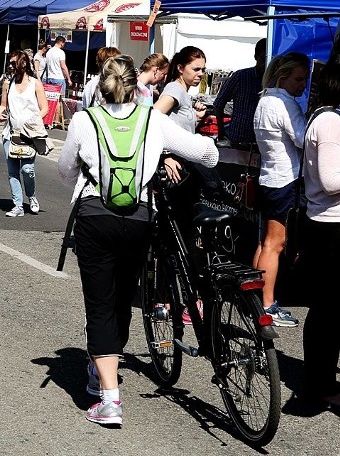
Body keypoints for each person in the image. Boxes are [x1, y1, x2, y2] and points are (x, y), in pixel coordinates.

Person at [58, 54, 219, 427]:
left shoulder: (85, 119)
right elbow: (206, 155)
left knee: (99, 303)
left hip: (94, 215)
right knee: (122, 296)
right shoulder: (152, 119)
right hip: (139, 217)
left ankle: (108, 397)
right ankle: (105, 371)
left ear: (101, 84)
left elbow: (65, 171)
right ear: (135, 85)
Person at [253, 52, 309, 327]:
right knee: (275, 245)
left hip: (268, 177)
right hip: (283, 179)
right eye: (299, 79)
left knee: (265, 244)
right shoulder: (285, 104)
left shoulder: (264, 99)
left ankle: (256, 301)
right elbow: (303, 139)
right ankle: (267, 305)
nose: (303, 85)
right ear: (283, 75)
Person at [300, 70, 340, 410]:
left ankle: (322, 381)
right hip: (329, 227)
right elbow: (329, 180)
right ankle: (320, 385)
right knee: (328, 311)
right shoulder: (329, 121)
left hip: (330, 224)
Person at [0, 50, 48, 217]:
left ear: (24, 63)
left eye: (14, 63)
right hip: (11, 134)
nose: (11, 66)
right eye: (9, 63)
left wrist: (32, 122)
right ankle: (17, 205)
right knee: (13, 171)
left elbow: (45, 108)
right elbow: (3, 105)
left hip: (29, 135)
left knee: (27, 169)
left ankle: (31, 196)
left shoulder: (35, 84)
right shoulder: (8, 83)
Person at [154, 46, 209, 183]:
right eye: (196, 69)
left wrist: (196, 117)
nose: (201, 74)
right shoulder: (175, 89)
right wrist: (165, 157)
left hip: (181, 162)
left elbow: (177, 126)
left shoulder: (182, 92)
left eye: (203, 70)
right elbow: (151, 119)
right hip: (173, 165)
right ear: (180, 68)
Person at [213, 38, 268, 146]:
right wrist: (221, 132)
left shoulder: (276, 81)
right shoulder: (241, 76)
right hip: (238, 140)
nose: (265, 65)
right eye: (263, 60)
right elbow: (218, 104)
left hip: (262, 142)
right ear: (256, 57)